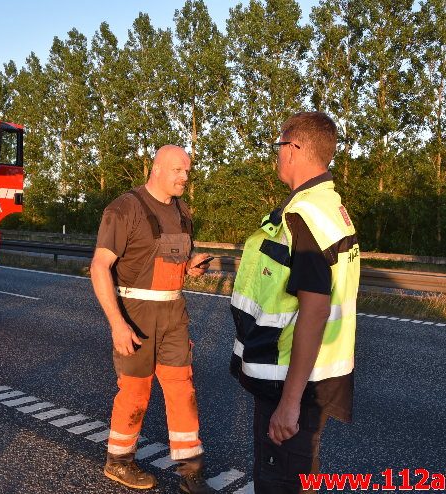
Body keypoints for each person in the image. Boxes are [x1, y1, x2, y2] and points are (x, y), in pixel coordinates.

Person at [229, 112, 360, 493]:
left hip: (291, 379)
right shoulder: (329, 207)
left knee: (280, 481)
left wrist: (289, 403)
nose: (277, 155)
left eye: (279, 146)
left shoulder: (304, 215)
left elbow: (315, 309)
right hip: (311, 375)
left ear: (295, 148)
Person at [90, 145, 214, 493]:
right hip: (136, 313)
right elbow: (100, 267)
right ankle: (119, 461)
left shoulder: (182, 212)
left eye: (188, 171)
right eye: (178, 170)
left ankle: (190, 471)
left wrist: (191, 266)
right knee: (135, 390)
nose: (185, 177)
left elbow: (169, 260)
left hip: (174, 314)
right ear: (157, 169)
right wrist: (118, 323)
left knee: (182, 389)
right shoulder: (125, 208)